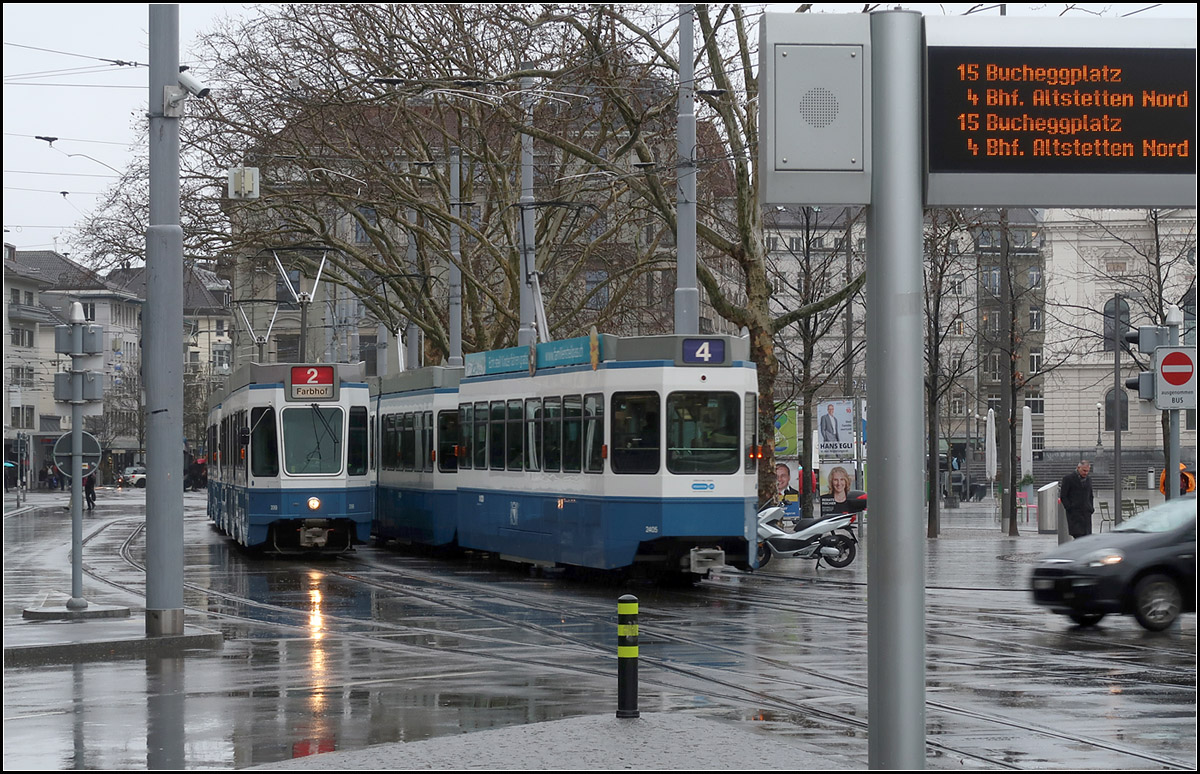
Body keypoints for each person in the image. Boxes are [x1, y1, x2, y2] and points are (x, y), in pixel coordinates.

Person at [1059, 459, 1094, 539]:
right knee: (1078, 537)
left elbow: (1090, 495)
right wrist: (1069, 508)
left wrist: (1090, 508)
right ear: (1078, 468)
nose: (1086, 473)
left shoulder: (1088, 479)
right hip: (1075, 514)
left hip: (1086, 514)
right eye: (1084, 470)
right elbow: (1063, 496)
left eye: (1087, 471)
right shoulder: (1068, 479)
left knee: (1087, 537)